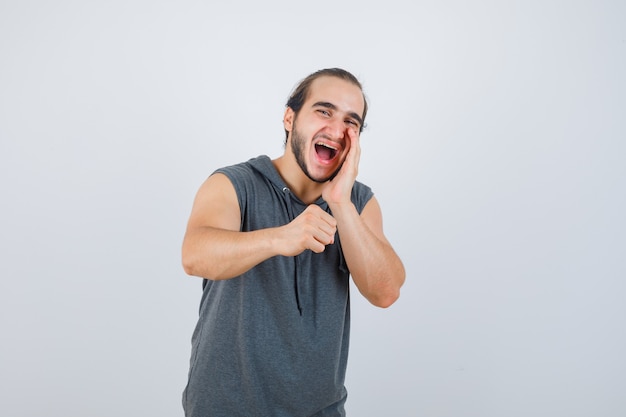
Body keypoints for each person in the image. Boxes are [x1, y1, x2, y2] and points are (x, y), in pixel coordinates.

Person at [181, 68, 405, 417]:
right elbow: (195, 255)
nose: (336, 128)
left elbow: (386, 291)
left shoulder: (358, 203)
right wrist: (280, 237)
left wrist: (341, 203)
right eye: (324, 111)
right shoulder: (234, 183)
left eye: (351, 122)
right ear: (290, 118)